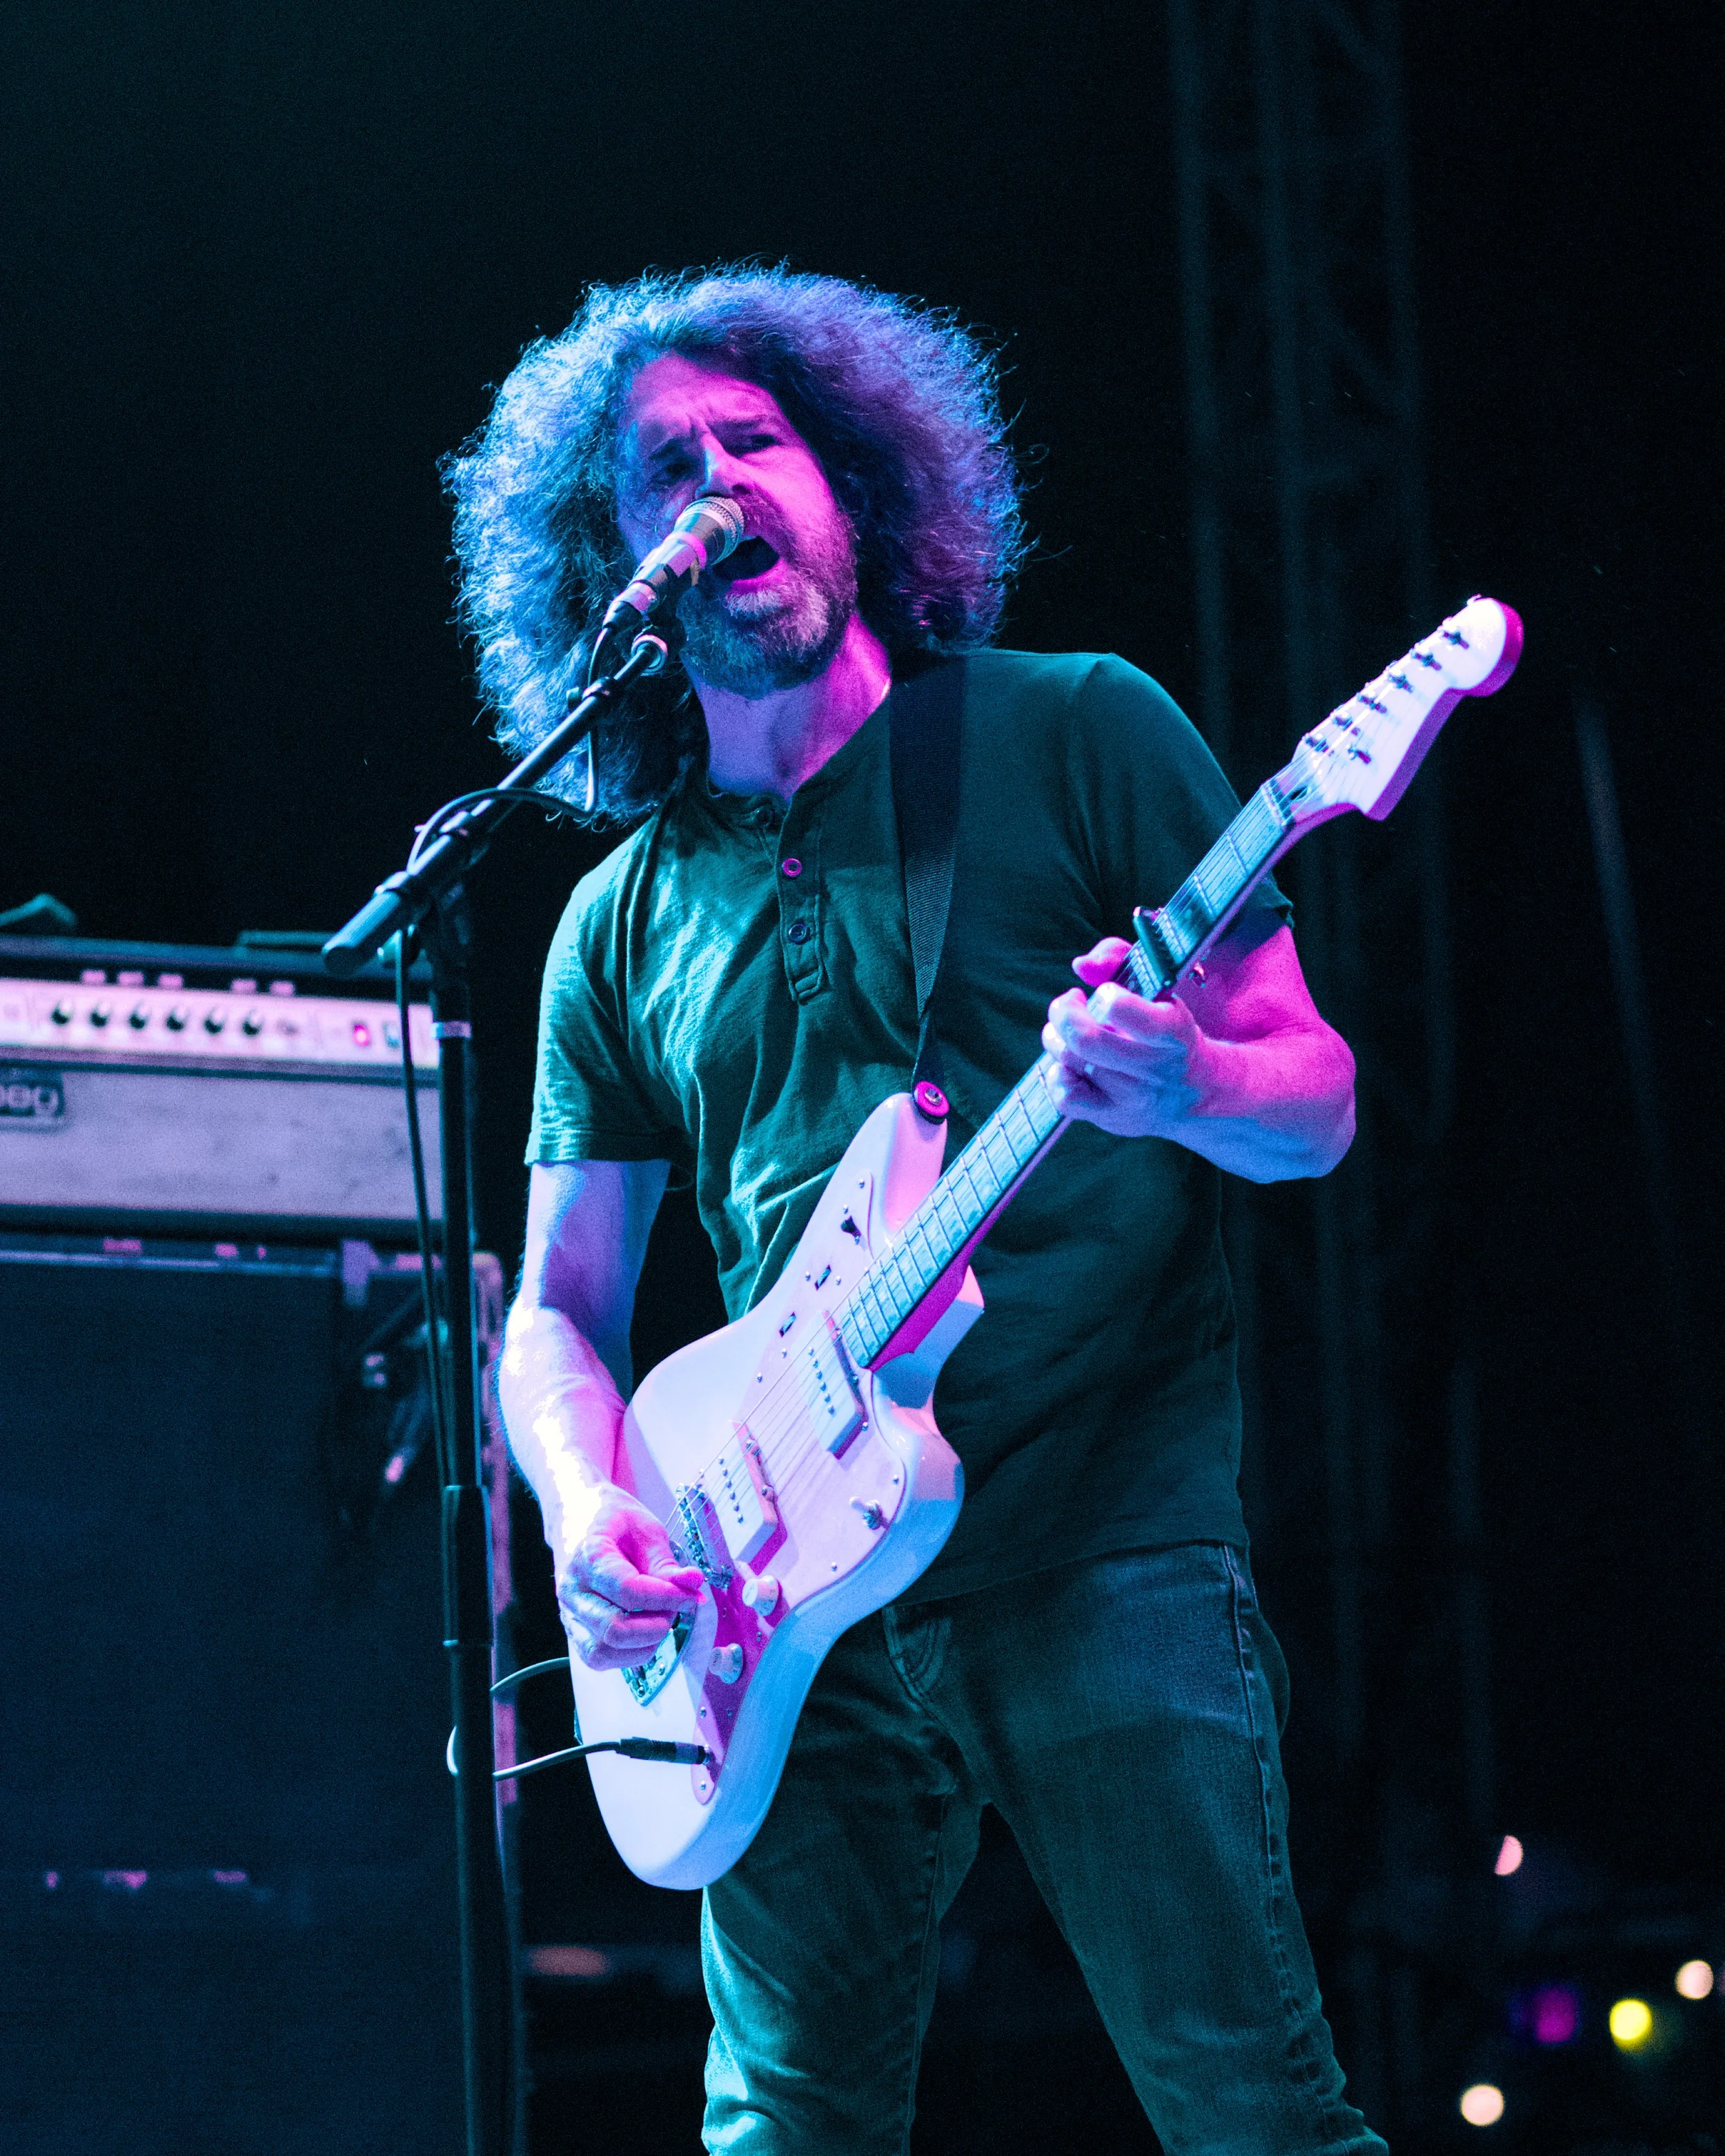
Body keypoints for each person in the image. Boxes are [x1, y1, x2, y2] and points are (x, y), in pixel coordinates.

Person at [448, 266, 1383, 2154]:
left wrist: (1181, 1081)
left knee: (1245, 2107)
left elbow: (1317, 1106)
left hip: (1096, 1543)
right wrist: (592, 1495)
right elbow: (558, 1304)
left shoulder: (1077, 733)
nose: (720, 487)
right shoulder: (613, 922)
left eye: (755, 442)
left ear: (855, 484)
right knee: (783, 2127)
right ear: (607, 568)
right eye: (663, 472)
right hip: (773, 1598)